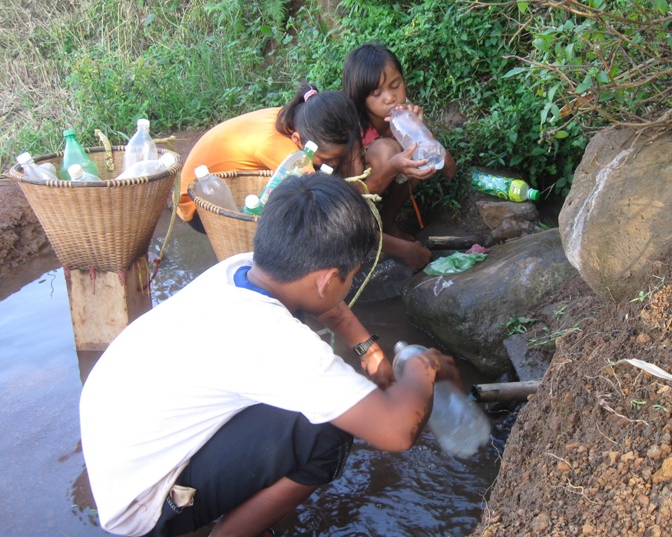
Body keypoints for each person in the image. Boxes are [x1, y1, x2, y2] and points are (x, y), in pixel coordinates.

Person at [80, 172, 462, 537]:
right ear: (329, 279)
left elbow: (327, 307)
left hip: (119, 452)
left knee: (323, 399)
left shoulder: (243, 269)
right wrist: (421, 368)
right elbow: (396, 431)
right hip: (141, 505)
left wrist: (369, 351)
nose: (346, 288)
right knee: (326, 431)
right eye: (348, 278)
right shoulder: (274, 340)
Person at [177, 82, 360, 233]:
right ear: (297, 139)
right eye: (328, 159)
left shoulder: (297, 117)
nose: (335, 163)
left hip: (220, 184)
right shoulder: (281, 150)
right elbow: (319, 198)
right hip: (199, 206)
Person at [342, 42, 457, 271]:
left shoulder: (407, 119)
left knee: (415, 153)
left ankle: (388, 221)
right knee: (388, 151)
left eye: (395, 85)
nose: (390, 98)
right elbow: (355, 196)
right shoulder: (352, 128)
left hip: (382, 200)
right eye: (376, 94)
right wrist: (394, 165)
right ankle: (377, 233)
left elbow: (450, 170)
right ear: (360, 98)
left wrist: (422, 135)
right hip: (353, 211)